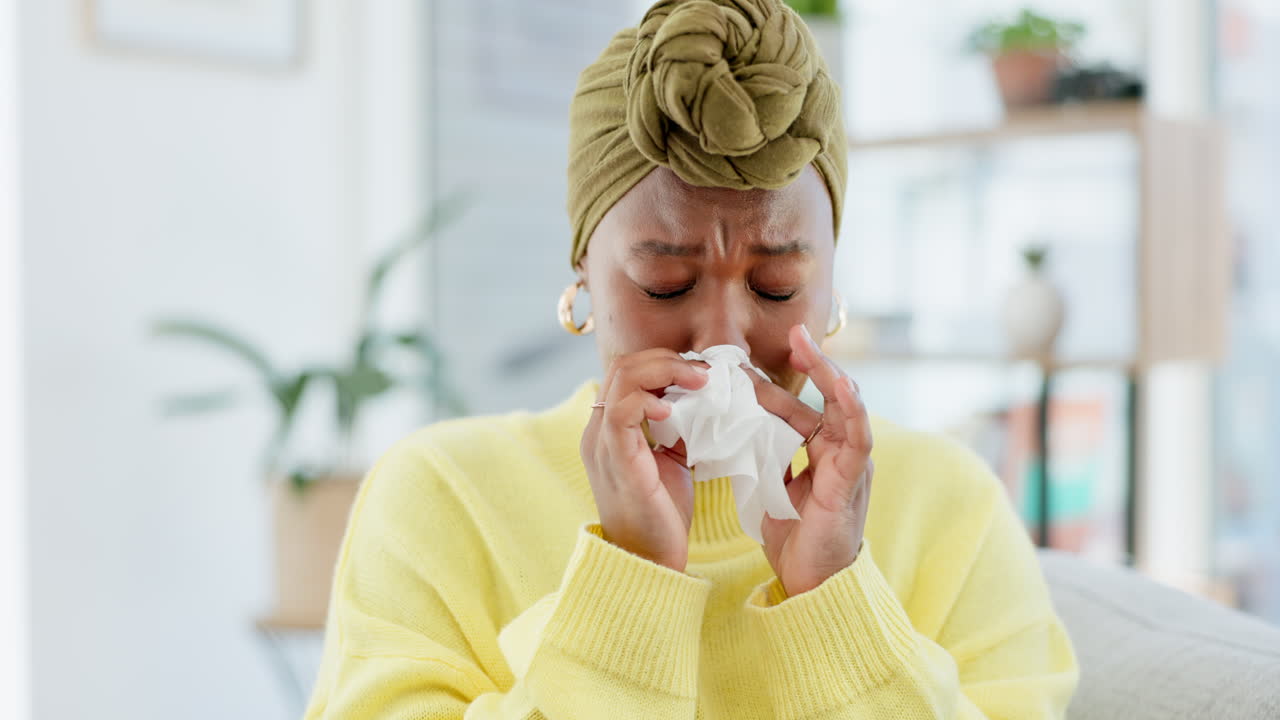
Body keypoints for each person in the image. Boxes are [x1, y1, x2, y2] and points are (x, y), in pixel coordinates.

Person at [303, 1, 1079, 718]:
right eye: (664, 284)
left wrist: (835, 598)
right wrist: (629, 582)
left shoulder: (951, 509)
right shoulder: (441, 500)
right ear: (582, 271)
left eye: (777, 287)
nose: (725, 342)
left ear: (833, 278)